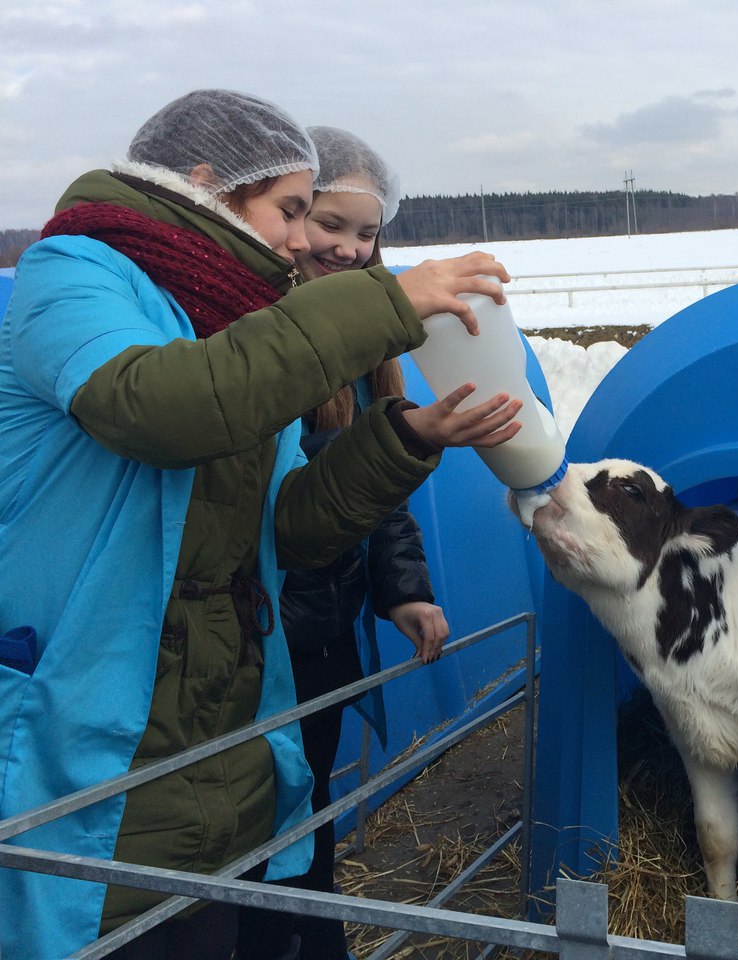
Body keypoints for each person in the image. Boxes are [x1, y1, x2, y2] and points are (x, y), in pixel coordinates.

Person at [0, 89, 522, 960]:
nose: (297, 238)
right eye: (289, 209)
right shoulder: (75, 277)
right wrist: (385, 302)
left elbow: (289, 526)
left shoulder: (242, 332)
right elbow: (161, 406)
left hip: (219, 735)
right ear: (207, 183)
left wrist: (403, 437)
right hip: (93, 723)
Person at [235, 125, 447, 960]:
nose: (349, 249)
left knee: (310, 800)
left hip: (322, 625)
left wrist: (403, 588)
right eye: (328, 224)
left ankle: (317, 944)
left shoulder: (365, 341)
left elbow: (372, 478)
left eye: (367, 234)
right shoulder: (258, 336)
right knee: (257, 814)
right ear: (290, 222)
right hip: (258, 629)